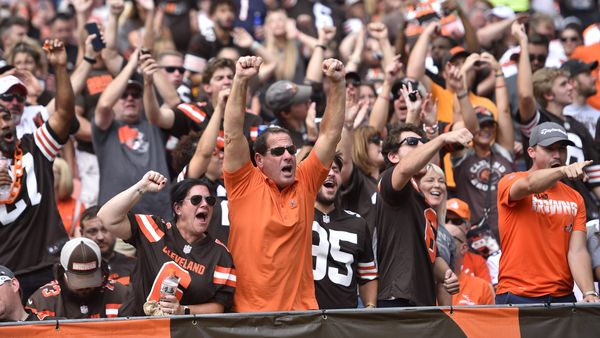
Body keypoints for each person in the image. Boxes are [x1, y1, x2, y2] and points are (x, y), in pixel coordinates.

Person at [223, 56, 345, 312]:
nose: (288, 155)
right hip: (248, 316)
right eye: (278, 152)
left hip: (299, 315)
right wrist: (240, 81)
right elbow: (233, 135)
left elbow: (331, 134)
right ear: (259, 159)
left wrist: (337, 83)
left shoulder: (306, 180)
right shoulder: (243, 181)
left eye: (290, 149)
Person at [97, 172, 236, 316]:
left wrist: (183, 310)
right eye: (196, 200)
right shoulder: (155, 229)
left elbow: (219, 307)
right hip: (136, 327)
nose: (205, 204)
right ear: (178, 208)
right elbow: (106, 217)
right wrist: (141, 187)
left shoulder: (220, 255)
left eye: (210, 200)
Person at [0, 39, 75, 301]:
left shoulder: (35, 146)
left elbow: (65, 113)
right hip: (3, 275)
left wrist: (61, 68)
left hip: (48, 264)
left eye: (7, 116)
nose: (4, 123)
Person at [496, 122, 600, 304]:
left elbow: (577, 251)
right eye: (549, 149)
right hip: (518, 294)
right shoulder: (510, 180)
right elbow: (529, 185)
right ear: (531, 152)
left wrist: (589, 292)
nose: (557, 155)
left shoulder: (575, 198)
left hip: (562, 296)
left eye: (561, 149)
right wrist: (563, 170)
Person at [376, 124, 470, 307]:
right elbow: (404, 169)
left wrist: (447, 274)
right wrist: (441, 139)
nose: (421, 147)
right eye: (412, 142)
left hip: (424, 301)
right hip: (397, 298)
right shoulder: (392, 182)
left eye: (423, 142)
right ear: (393, 156)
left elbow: (430, 255)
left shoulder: (424, 202)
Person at [93, 50, 171, 219]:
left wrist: (151, 71)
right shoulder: (106, 128)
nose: (130, 99)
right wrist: (131, 65)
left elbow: (174, 102)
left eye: (135, 95)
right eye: (123, 95)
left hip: (157, 216)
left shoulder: (155, 125)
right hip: (117, 218)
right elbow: (104, 105)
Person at [312, 153, 378, 309]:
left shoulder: (358, 223)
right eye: (324, 169)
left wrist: (370, 306)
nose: (331, 173)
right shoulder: (295, 217)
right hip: (305, 320)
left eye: (335, 170)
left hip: (345, 323)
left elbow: (367, 275)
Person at [26, 238, 129, 319]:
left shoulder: (122, 295)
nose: (84, 288)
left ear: (102, 273)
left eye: (90, 280)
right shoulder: (43, 301)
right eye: (78, 281)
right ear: (62, 274)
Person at [80, 206, 136, 286]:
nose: (100, 237)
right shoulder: (74, 267)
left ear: (114, 229)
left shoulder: (134, 265)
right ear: (82, 233)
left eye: (105, 229)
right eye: (92, 231)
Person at [447, 225, 495, 306]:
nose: (440, 243)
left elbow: (492, 318)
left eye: (448, 238)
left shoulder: (482, 287)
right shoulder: (423, 285)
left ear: (463, 248)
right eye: (437, 238)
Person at [562, 60, 600, 137]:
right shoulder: (560, 114)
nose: (594, 79)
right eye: (588, 74)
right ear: (572, 82)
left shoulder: (598, 115)